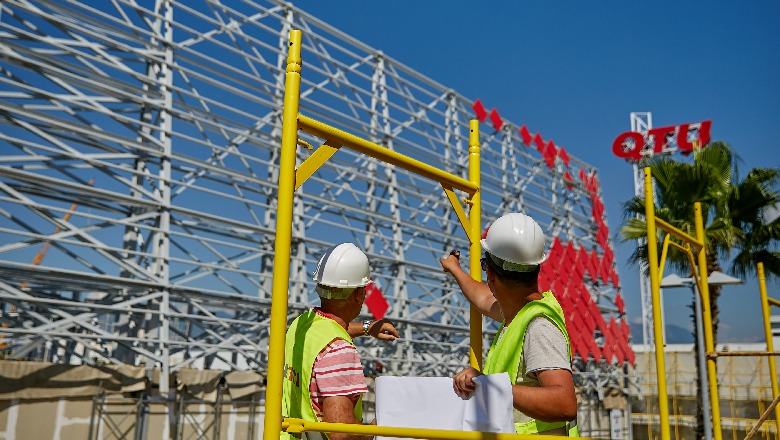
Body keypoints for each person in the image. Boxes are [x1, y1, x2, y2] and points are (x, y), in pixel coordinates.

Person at [440, 212, 579, 436]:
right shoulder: (521, 313)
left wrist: (489, 386)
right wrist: (455, 269)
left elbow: (565, 403)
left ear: (492, 276)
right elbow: (484, 299)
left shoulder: (538, 326)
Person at [282, 243, 399, 440]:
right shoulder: (339, 349)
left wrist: (367, 328)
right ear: (357, 294)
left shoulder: (301, 324)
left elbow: (330, 331)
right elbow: (341, 433)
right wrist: (377, 428)